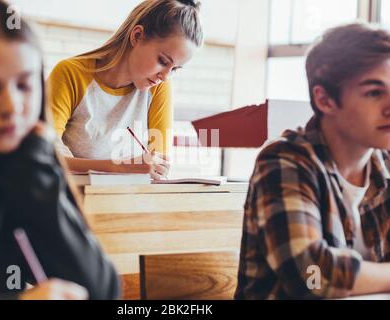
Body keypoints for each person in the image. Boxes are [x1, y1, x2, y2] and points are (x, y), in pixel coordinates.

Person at [0, 0, 119, 300]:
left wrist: (36, 168)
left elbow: (100, 291)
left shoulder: (27, 165)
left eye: (24, 86)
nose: (11, 107)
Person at [235, 23, 390, 299]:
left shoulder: (385, 165)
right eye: (374, 92)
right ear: (325, 99)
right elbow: (312, 276)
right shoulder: (283, 161)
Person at [47, 0, 203, 180]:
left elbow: (158, 167)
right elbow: (46, 156)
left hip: (129, 201)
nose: (165, 76)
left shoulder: (159, 86)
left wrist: (151, 168)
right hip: (73, 200)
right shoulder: (70, 74)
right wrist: (120, 167)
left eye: (174, 69)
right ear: (137, 36)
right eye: (163, 61)